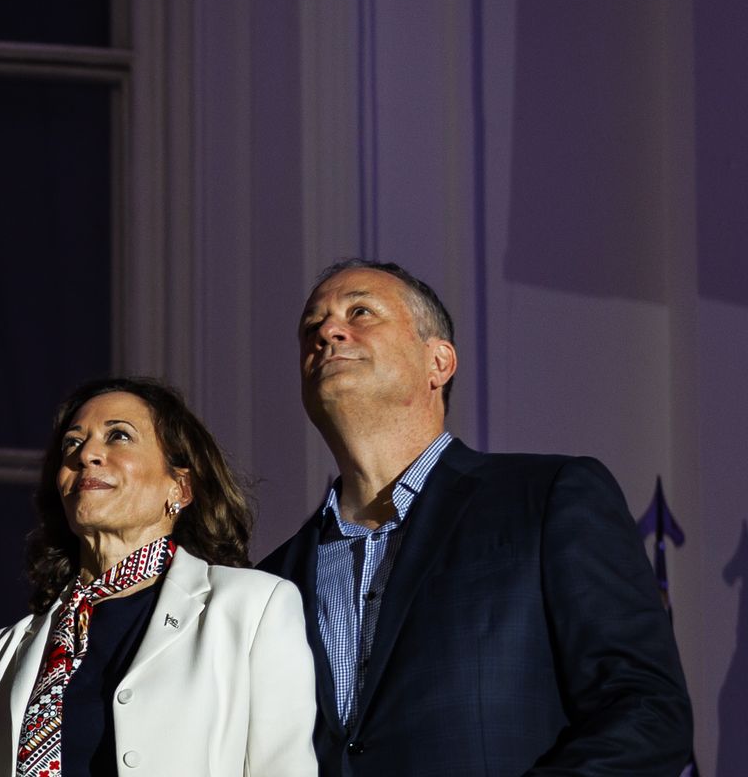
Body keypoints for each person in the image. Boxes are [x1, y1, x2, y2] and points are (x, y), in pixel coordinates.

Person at [258, 258, 694, 776]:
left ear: (438, 362)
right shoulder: (270, 583)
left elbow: (646, 711)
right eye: (312, 325)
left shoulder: (548, 498)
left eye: (360, 312)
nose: (327, 332)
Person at [0, 377, 316, 776]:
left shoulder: (253, 608)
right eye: (72, 444)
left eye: (118, 436)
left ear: (179, 487)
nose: (87, 454)